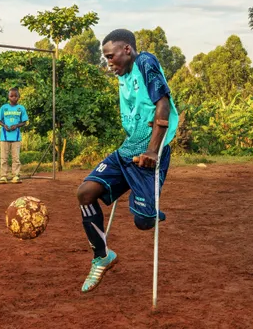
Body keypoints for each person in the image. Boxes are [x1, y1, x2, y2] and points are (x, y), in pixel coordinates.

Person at [76, 29, 179, 293]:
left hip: (149, 154)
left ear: (127, 50)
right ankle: (102, 256)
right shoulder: (124, 74)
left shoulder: (145, 61)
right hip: (127, 150)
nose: (108, 63)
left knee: (143, 222)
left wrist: (153, 151)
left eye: (111, 57)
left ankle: (152, 209)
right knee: (86, 192)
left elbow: (163, 104)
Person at [0, 88, 29, 184]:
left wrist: (17, 125)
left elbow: (24, 122)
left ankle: (16, 176)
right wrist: (4, 125)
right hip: (4, 137)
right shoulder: (4, 107)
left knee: (16, 158)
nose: (13, 98)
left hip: (16, 138)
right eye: (11, 96)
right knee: (4, 157)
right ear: (8, 97)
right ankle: (3, 176)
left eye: (15, 96)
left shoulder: (21, 108)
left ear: (19, 97)